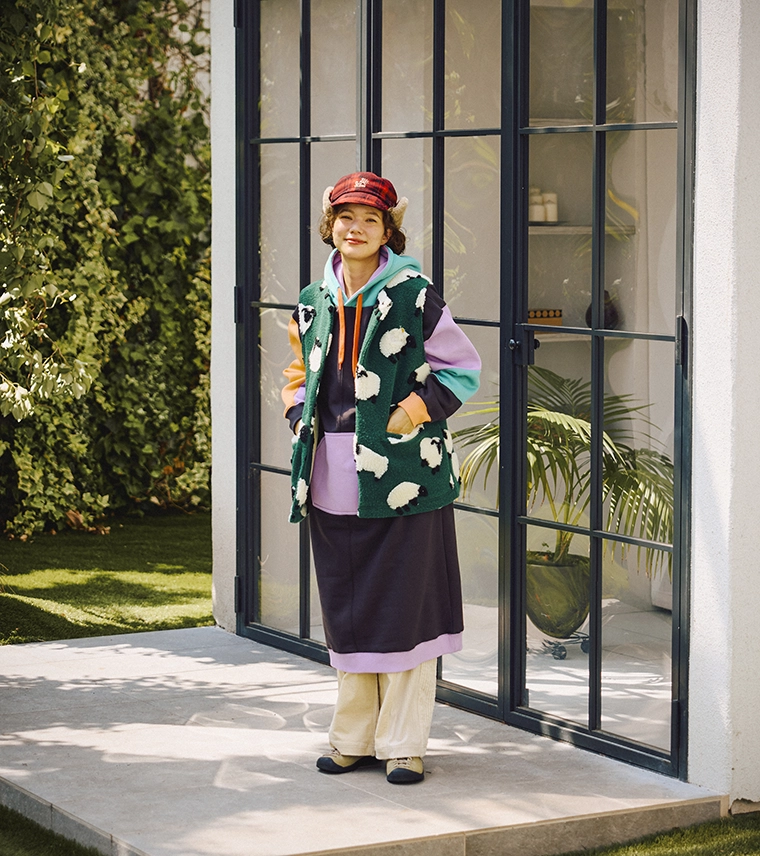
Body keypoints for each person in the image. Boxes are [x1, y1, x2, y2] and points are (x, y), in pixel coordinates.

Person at [281, 172, 481, 784]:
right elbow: (297, 375)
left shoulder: (416, 295)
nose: (357, 228)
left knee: (404, 612)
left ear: (388, 230)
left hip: (404, 480)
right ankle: (353, 739)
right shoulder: (312, 301)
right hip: (329, 481)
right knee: (347, 611)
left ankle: (402, 745)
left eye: (371, 219)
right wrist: (297, 415)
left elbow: (461, 370)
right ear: (330, 225)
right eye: (346, 217)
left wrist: (407, 414)